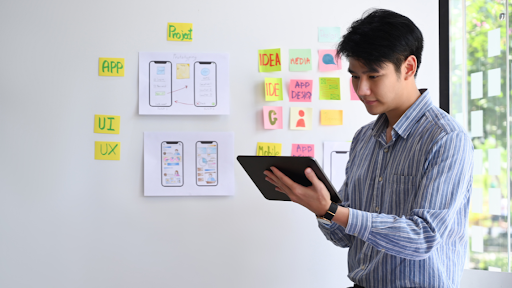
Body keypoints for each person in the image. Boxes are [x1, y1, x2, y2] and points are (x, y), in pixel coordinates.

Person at [264, 9, 473, 288]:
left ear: (408, 68)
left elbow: (423, 238)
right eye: (355, 76)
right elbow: (345, 237)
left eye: (373, 76)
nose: (361, 90)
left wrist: (333, 211)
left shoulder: (446, 138)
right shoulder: (364, 138)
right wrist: (321, 209)